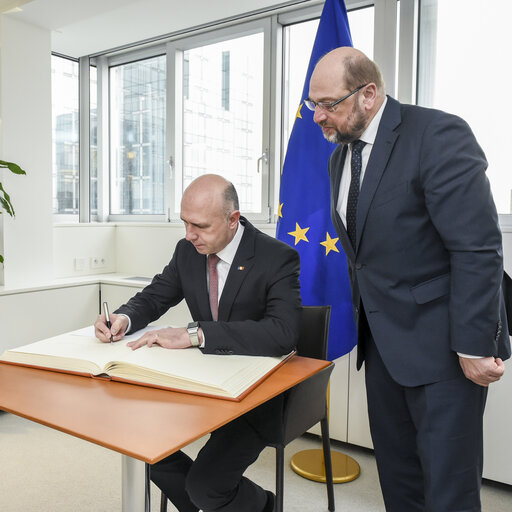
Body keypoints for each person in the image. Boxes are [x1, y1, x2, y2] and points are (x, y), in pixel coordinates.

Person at [307, 47, 511, 512]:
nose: (319, 116)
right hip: (382, 348)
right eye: (313, 104)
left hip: (444, 349)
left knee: (448, 489)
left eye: (329, 104)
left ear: (369, 94)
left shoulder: (437, 134)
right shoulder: (341, 158)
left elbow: (477, 248)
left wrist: (477, 344)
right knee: (399, 482)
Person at [94, 174, 301, 512]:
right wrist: (123, 317)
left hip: (256, 394)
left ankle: (266, 506)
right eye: (184, 223)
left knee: (206, 487)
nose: (189, 235)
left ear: (233, 220)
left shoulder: (276, 257)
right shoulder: (187, 251)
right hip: (200, 382)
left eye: (200, 226)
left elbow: (282, 333)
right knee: (138, 443)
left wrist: (195, 333)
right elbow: (155, 296)